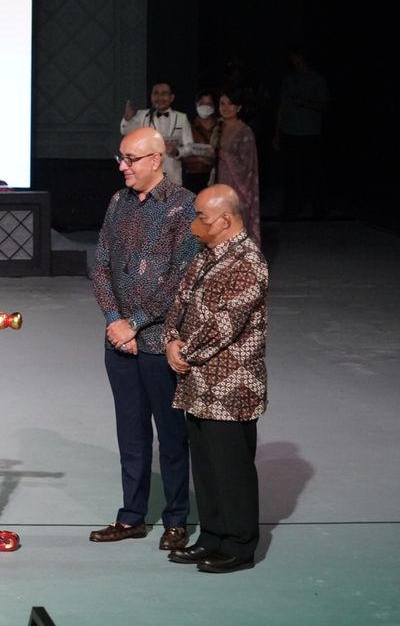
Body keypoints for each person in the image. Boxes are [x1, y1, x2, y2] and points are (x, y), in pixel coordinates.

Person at [90, 126, 201, 551]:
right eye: (120, 158)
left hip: (159, 344)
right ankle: (131, 516)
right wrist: (115, 320)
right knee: (130, 435)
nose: (122, 166)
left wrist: (134, 323)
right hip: (119, 343)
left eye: (130, 159)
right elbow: (100, 265)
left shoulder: (183, 206)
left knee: (171, 437)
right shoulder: (117, 203)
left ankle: (176, 518)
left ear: (156, 160)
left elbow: (180, 280)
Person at [164, 184, 269, 573]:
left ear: (225, 220)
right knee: (206, 468)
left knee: (232, 469)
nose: (194, 225)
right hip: (197, 384)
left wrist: (184, 354)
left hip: (231, 386)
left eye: (201, 217)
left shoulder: (248, 262)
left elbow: (224, 325)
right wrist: (171, 340)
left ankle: (239, 545)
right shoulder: (207, 255)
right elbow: (180, 301)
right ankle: (211, 536)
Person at [273, 47, 329, 219]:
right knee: (290, 173)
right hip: (290, 132)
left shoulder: (317, 80)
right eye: (292, 57)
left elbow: (324, 105)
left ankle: (318, 208)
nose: (294, 61)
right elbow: (281, 107)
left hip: (310, 133)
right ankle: (290, 208)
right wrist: (276, 133)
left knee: (313, 172)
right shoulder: (288, 80)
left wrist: (303, 102)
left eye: (297, 57)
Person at [212, 90, 261, 247]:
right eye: (222, 104)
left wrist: (222, 155)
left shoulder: (245, 131)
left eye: (230, 104)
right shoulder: (218, 128)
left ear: (239, 107)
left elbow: (247, 166)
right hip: (217, 187)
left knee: (236, 231)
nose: (226, 108)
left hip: (237, 190)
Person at [121, 82, 194, 186]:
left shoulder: (182, 118)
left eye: (164, 94)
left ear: (171, 97)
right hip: (147, 177)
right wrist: (128, 119)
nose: (159, 97)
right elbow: (127, 132)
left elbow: (190, 147)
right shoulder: (142, 115)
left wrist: (177, 152)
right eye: (156, 93)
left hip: (173, 176)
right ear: (151, 96)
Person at [181, 91, 218, 194]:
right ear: (196, 104)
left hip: (217, 176)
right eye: (202, 103)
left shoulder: (220, 127)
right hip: (193, 177)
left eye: (209, 104)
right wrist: (200, 159)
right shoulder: (188, 127)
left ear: (214, 106)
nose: (205, 107)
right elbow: (181, 154)